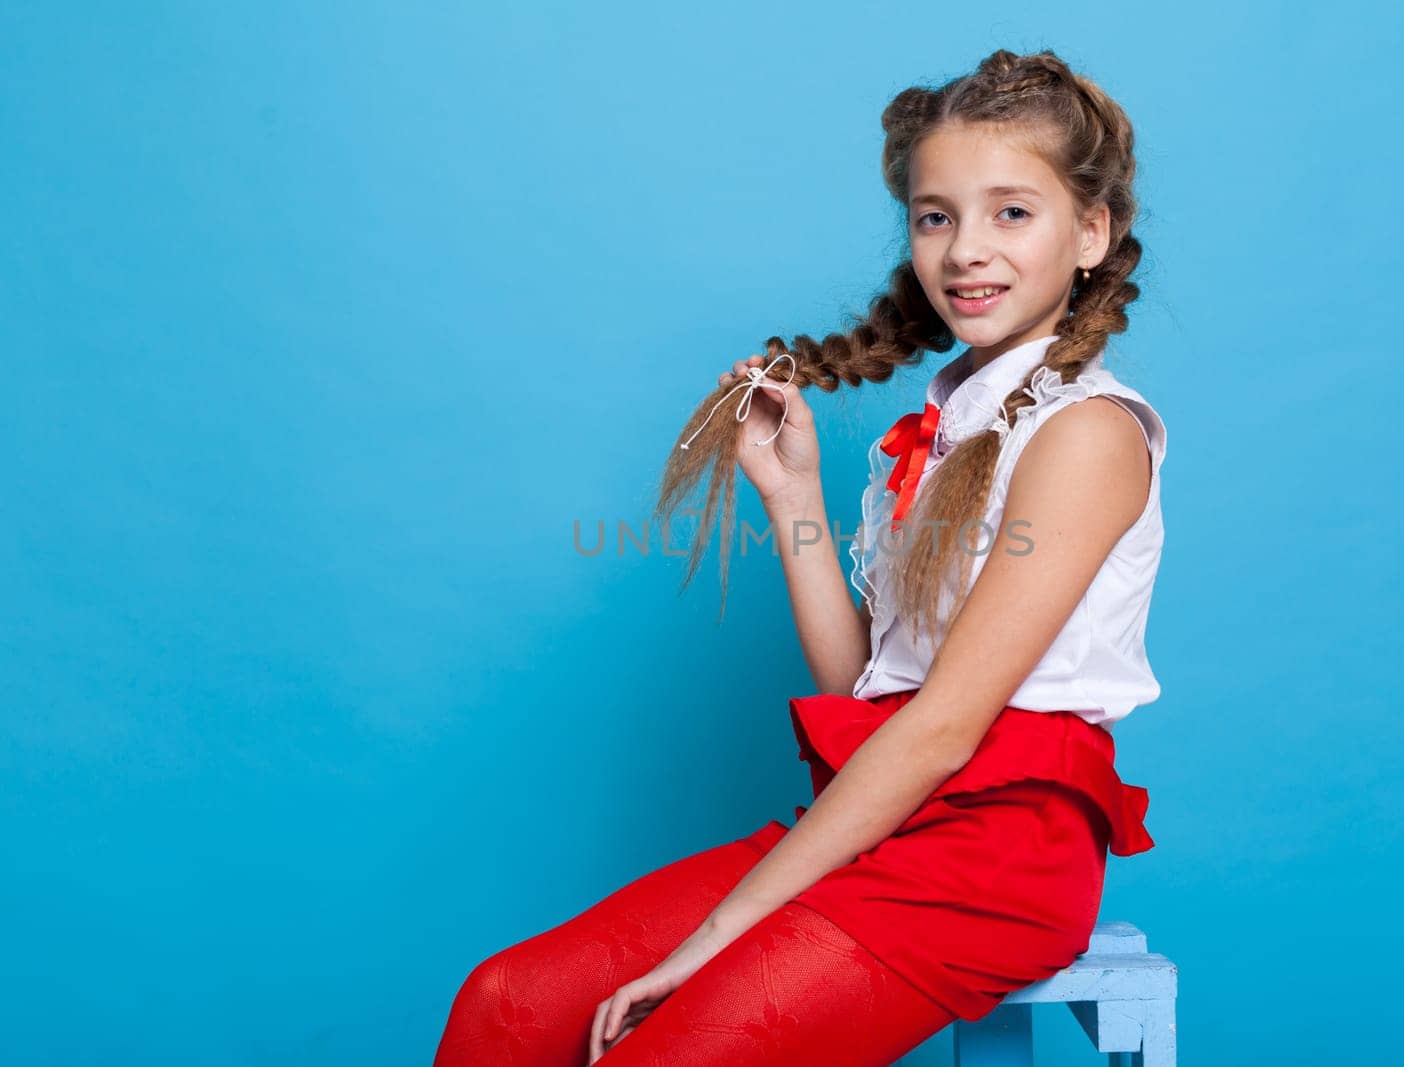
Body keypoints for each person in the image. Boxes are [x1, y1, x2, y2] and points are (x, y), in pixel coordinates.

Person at [433, 45, 1166, 1067]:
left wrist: (711, 940)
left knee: (667, 1051)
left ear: (1091, 231)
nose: (964, 249)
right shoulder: (939, 426)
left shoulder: (1088, 433)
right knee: (507, 1002)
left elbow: (943, 730)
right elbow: (865, 691)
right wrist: (790, 498)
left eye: (1011, 211)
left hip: (991, 860)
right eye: (934, 215)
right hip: (882, 814)